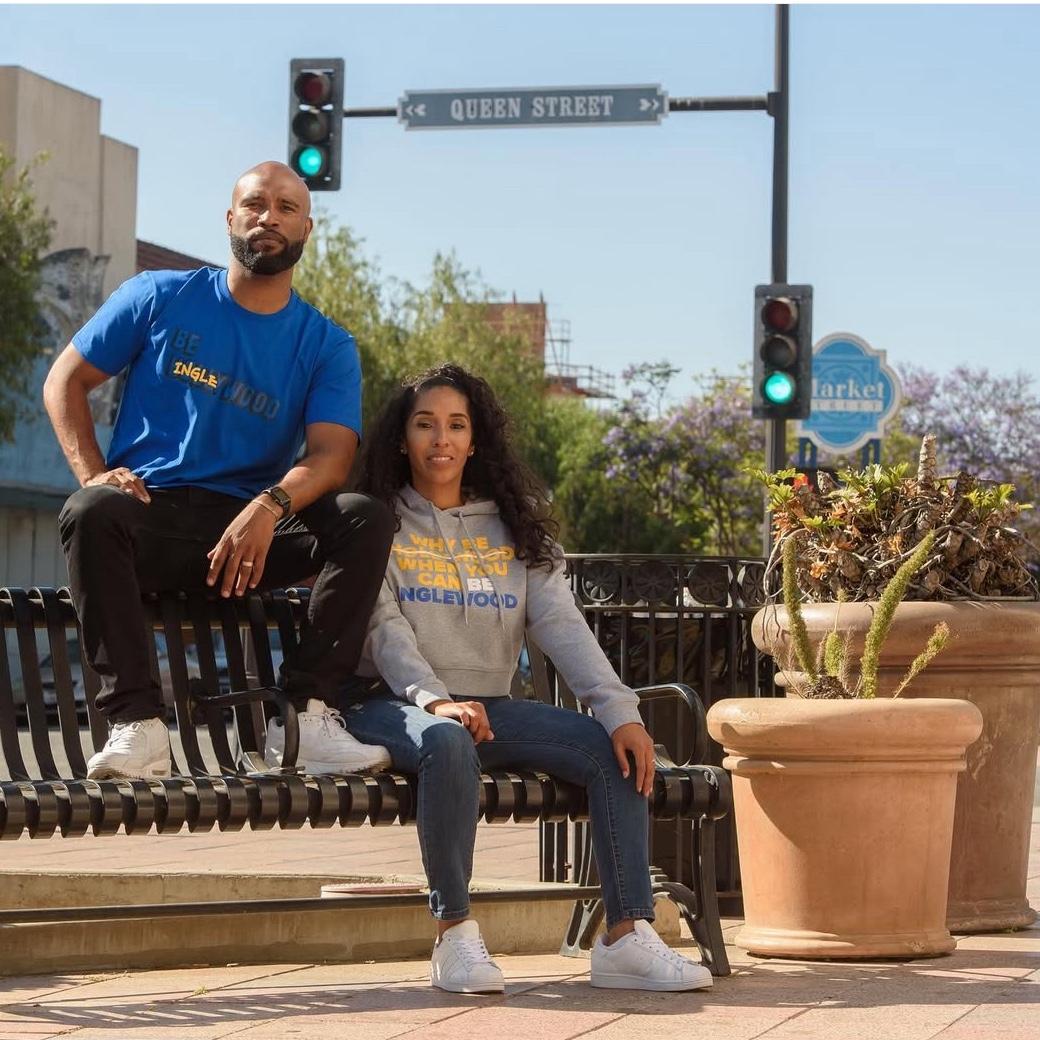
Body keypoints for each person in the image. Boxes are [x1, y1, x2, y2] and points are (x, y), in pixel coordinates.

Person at [346, 363, 713, 995]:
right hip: (390, 704)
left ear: (475, 440)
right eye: (425, 424)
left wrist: (619, 710)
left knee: (612, 750)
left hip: (489, 706)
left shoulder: (513, 528)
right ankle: (454, 938)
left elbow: (562, 625)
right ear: (402, 439)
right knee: (446, 740)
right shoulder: (378, 522)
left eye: (456, 425)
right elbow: (384, 630)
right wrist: (436, 701)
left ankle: (625, 938)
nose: (441, 439)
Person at [43, 161, 394, 782]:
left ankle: (304, 719)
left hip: (248, 541)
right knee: (92, 510)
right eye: (255, 204)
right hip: (153, 517)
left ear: (306, 229)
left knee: (364, 519)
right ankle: (139, 726)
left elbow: (331, 457)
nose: (269, 217)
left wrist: (268, 506)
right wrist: (95, 474)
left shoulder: (325, 343)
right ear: (231, 218)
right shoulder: (158, 296)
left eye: (286, 207)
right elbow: (64, 381)